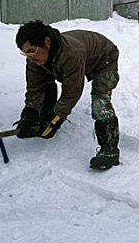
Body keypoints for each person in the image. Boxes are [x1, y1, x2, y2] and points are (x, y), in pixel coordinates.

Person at [14, 20, 120, 170]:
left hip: (104, 58)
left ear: (47, 42)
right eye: (26, 53)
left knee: (100, 99)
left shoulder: (71, 54)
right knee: (45, 82)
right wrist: (30, 113)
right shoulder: (35, 57)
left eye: (32, 51)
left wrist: (56, 119)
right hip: (74, 60)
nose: (30, 57)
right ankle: (42, 120)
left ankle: (110, 151)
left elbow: (72, 92)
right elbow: (35, 88)